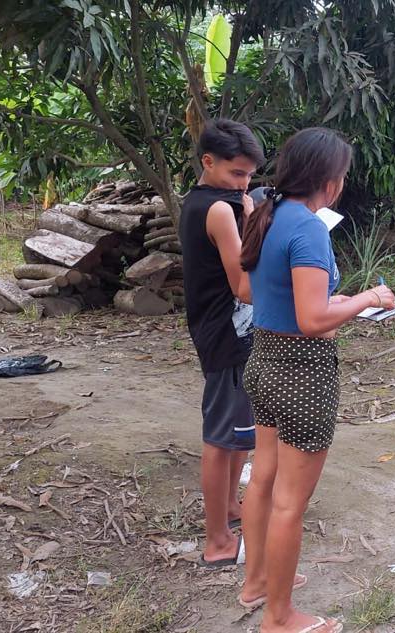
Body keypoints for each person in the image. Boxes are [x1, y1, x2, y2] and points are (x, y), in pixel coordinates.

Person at [237, 127, 395, 633]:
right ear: (328, 180)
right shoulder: (307, 228)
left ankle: (256, 582)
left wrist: (332, 301)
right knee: (290, 502)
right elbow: (312, 320)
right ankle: (279, 617)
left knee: (264, 478)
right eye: (342, 176)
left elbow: (249, 290)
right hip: (301, 374)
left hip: (263, 360)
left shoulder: (268, 214)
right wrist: (368, 298)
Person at [179, 119, 262, 567]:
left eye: (249, 175)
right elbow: (244, 287)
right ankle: (217, 541)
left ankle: (231, 507)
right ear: (208, 162)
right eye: (236, 173)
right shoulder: (219, 211)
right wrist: (251, 220)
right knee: (219, 437)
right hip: (228, 333)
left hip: (224, 330)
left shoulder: (200, 201)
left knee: (237, 432)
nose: (244, 183)